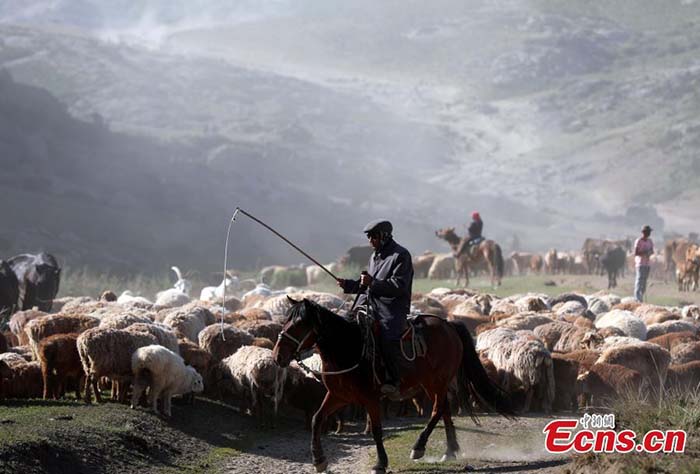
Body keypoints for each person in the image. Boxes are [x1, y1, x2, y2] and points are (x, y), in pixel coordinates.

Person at [336, 219, 414, 395]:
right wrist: (348, 285)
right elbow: (367, 285)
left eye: (373, 236)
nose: (370, 240)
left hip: (391, 308)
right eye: (369, 237)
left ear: (384, 236)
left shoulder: (401, 255)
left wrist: (372, 282)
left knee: (386, 336)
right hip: (370, 305)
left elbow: (398, 286)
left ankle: (394, 380)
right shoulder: (374, 256)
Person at [634, 225, 654, 302]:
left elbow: (652, 251)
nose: (649, 233)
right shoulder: (638, 241)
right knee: (639, 280)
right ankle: (637, 298)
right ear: (643, 232)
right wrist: (644, 252)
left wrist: (649, 253)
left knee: (644, 281)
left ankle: (641, 297)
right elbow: (636, 252)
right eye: (647, 232)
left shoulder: (650, 241)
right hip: (640, 263)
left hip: (647, 264)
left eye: (649, 232)